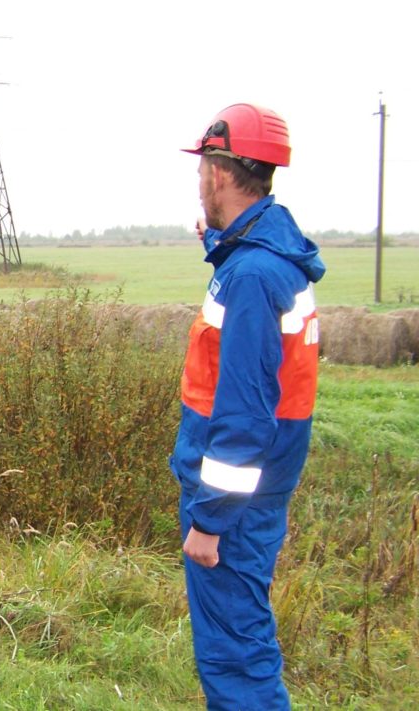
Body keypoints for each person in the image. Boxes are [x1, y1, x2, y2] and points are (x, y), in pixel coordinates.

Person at [171, 103, 326, 710]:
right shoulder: (264, 258)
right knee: (240, 644)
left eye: (203, 170)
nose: (200, 182)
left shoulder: (253, 276)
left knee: (237, 659)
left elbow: (244, 414)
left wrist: (210, 522)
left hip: (232, 506)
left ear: (218, 173)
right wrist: (218, 243)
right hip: (254, 497)